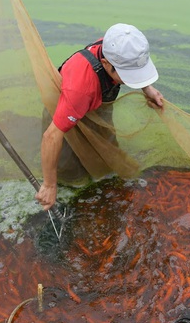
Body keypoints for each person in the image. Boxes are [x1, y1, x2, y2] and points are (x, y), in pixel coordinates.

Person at [36, 23, 164, 211]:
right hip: (66, 109)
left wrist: (148, 88)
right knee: (72, 175)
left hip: (96, 106)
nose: (132, 78)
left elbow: (135, 65)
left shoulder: (120, 45)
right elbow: (51, 135)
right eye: (128, 75)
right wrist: (49, 185)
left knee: (107, 157)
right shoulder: (80, 89)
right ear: (105, 63)